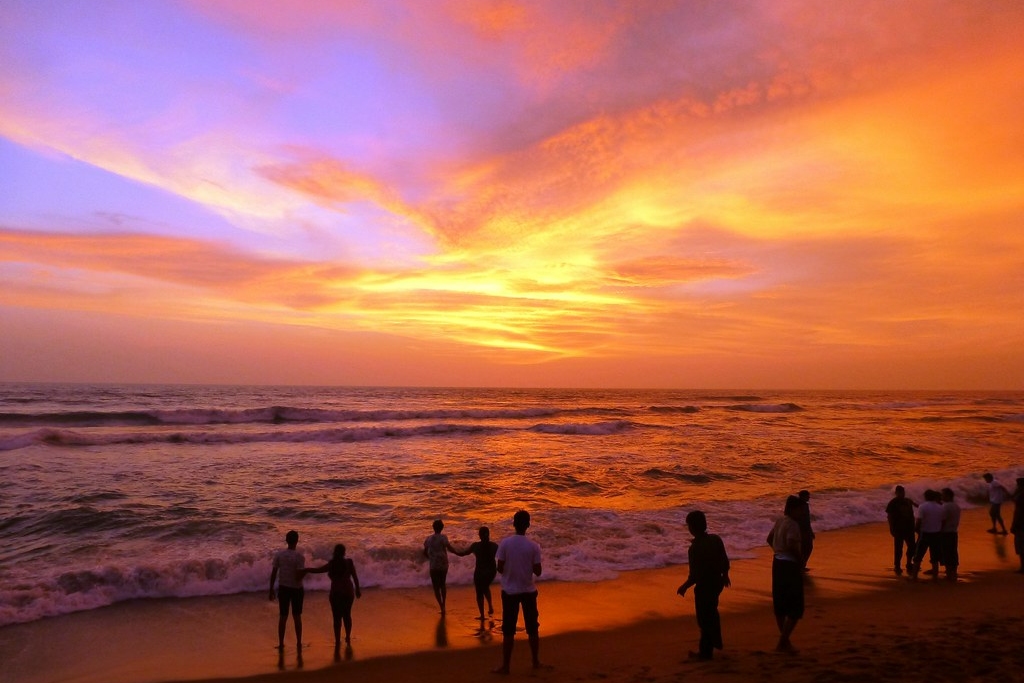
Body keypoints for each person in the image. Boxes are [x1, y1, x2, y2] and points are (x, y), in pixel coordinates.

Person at [676, 510, 731, 661]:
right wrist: (725, 575)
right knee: (712, 612)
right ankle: (716, 641)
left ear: (692, 528)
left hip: (704, 586)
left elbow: (695, 575)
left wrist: (684, 586)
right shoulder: (715, 539)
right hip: (717, 583)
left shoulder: (694, 548)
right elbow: (725, 560)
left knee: (704, 619)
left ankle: (705, 652)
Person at [493, 510, 542, 674]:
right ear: (528, 525)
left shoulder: (505, 543)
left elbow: (499, 568)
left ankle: (506, 666)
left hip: (509, 591)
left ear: (513, 524)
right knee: (532, 628)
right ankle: (535, 661)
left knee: (508, 630)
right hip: (528, 590)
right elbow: (538, 571)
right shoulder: (534, 546)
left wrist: (510, 571)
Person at [303, 543, 361, 647]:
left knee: (336, 618)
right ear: (344, 552)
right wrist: (358, 590)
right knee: (347, 615)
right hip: (348, 592)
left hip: (336, 593)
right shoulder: (349, 562)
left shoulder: (332, 564)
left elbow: (318, 570)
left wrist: (306, 570)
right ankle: (347, 637)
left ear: (334, 552)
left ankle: (338, 640)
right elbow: (355, 577)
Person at [767, 495, 804, 654]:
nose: (802, 513)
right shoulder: (793, 525)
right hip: (789, 565)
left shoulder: (780, 521)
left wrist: (777, 550)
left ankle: (785, 641)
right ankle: (783, 641)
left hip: (777, 563)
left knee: (780, 604)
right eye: (800, 510)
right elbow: (791, 544)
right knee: (796, 607)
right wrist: (800, 561)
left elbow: (769, 538)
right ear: (794, 509)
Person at [269, 530, 306, 650]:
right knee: (297, 616)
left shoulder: (279, 555)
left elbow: (274, 573)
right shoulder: (300, 557)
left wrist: (270, 589)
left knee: (283, 616)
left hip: (283, 587)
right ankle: (299, 643)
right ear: (297, 541)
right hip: (297, 589)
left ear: (286, 540)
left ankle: (281, 644)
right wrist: (305, 573)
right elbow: (299, 576)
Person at [455, 526, 499, 619]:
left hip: (480, 572)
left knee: (479, 592)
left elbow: (464, 553)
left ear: (479, 535)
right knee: (485, 587)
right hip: (491, 572)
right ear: (489, 534)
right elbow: (503, 557)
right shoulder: (494, 546)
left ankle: (482, 615)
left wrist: (452, 550)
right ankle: (490, 606)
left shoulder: (476, 546)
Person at [423, 519, 458, 614]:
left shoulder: (428, 539)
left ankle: (441, 606)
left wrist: (430, 558)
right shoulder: (443, 537)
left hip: (434, 565)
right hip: (443, 564)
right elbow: (449, 548)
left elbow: (425, 552)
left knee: (436, 587)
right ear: (442, 528)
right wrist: (458, 553)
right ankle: (444, 605)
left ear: (433, 528)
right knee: (442, 584)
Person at [909, 489, 944, 578]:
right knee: (935, 557)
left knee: (918, 556)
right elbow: (943, 521)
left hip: (925, 533)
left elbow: (919, 520)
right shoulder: (940, 507)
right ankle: (935, 578)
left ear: (926, 497)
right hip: (936, 533)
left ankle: (914, 576)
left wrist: (916, 529)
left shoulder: (923, 507)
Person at [885, 485, 918, 575]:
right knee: (898, 548)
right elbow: (889, 516)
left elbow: (918, 506)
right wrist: (891, 528)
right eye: (900, 492)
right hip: (898, 529)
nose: (902, 494)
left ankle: (908, 563)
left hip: (909, 528)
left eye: (903, 492)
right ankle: (897, 566)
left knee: (912, 547)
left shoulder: (907, 501)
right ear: (896, 493)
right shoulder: (893, 502)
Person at [940, 488, 961, 580]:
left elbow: (943, 520)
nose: (942, 496)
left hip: (946, 532)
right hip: (954, 531)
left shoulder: (945, 506)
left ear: (948, 496)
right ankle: (954, 571)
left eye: (943, 495)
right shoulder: (956, 506)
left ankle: (949, 572)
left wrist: (939, 530)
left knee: (946, 553)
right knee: (953, 552)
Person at [796, 490, 815, 571]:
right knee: (807, 548)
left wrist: (810, 530)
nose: (809, 497)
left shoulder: (804, 505)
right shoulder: (801, 506)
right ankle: (801, 566)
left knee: (806, 548)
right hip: (802, 530)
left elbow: (807, 520)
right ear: (803, 496)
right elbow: (802, 520)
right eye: (807, 496)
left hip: (805, 529)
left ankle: (801, 565)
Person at [1012, 477, 1024, 574]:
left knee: (1021, 546)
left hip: (1021, 524)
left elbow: (1018, 512)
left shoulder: (1020, 496)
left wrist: (1014, 524)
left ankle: (1023, 567)